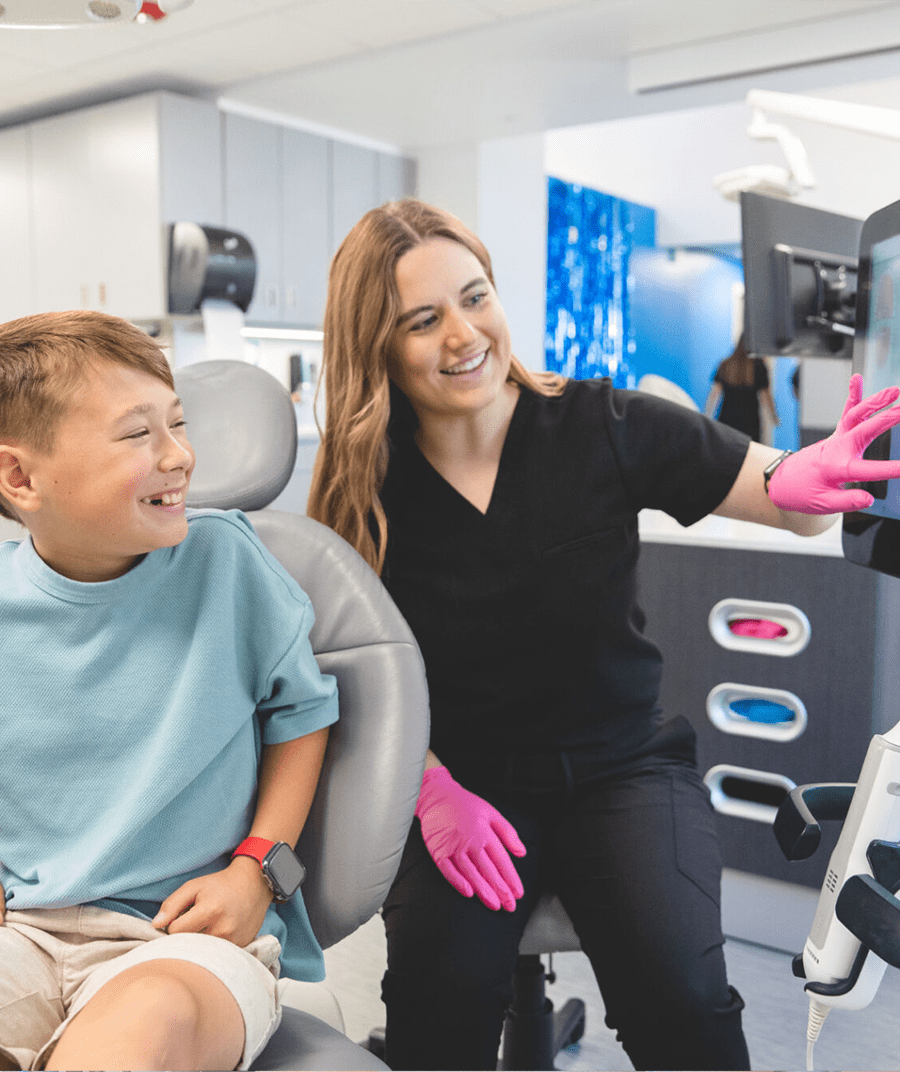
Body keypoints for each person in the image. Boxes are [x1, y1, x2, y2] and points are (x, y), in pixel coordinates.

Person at [307, 199, 900, 1072]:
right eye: (423, 320)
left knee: (684, 1005)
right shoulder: (363, 483)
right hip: (464, 786)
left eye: (476, 297)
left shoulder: (603, 424)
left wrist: (808, 476)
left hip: (624, 769)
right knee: (441, 1013)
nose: (464, 334)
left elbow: (779, 493)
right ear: (377, 346)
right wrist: (429, 790)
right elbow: (347, 675)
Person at [0, 311, 339, 1072]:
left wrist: (260, 872)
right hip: (21, 933)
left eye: (177, 423)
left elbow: (306, 717)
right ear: (21, 479)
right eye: (137, 434)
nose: (179, 455)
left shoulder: (226, 564)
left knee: (144, 1024)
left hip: (180, 941)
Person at [706, 333, 779, 442]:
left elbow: (714, 394)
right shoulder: (759, 366)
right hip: (750, 421)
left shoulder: (726, 364)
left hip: (727, 419)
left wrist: (708, 415)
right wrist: (774, 417)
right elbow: (766, 396)